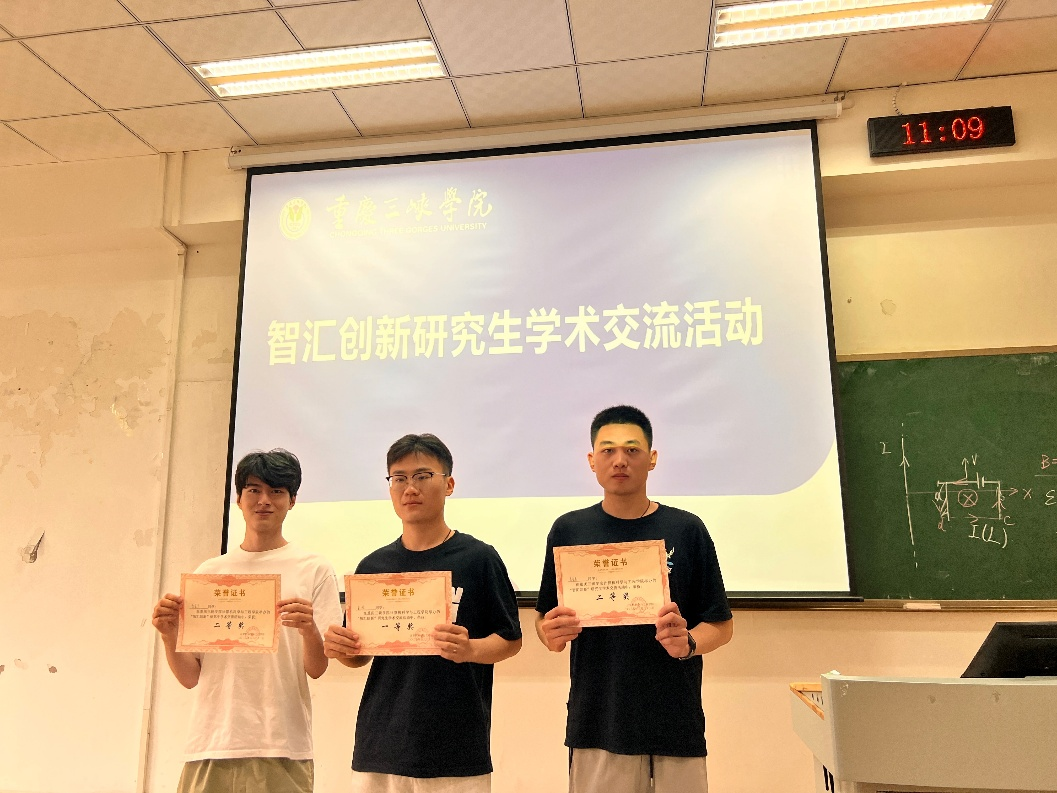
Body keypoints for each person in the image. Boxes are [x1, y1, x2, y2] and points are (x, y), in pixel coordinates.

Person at [535, 406, 733, 793]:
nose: (620, 460)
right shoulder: (569, 529)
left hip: (675, 720)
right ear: (591, 460)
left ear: (652, 458)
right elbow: (544, 619)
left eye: (632, 449)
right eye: (607, 450)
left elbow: (721, 625)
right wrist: (551, 634)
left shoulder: (687, 529)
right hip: (597, 721)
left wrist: (689, 642)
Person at [323, 433, 522, 793]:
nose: (410, 488)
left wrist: (470, 650)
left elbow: (510, 640)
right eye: (399, 478)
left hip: (456, 748)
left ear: (449, 484)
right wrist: (342, 649)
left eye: (422, 476)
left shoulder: (479, 558)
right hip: (380, 745)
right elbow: (359, 656)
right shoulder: (374, 566)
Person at [151, 449, 342, 793]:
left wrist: (309, 631)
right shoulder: (209, 573)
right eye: (254, 490)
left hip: (282, 743)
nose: (264, 500)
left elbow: (317, 669)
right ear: (238, 499)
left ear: (292, 501)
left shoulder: (314, 569)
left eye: (276, 491)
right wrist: (169, 634)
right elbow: (190, 677)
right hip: (211, 741)